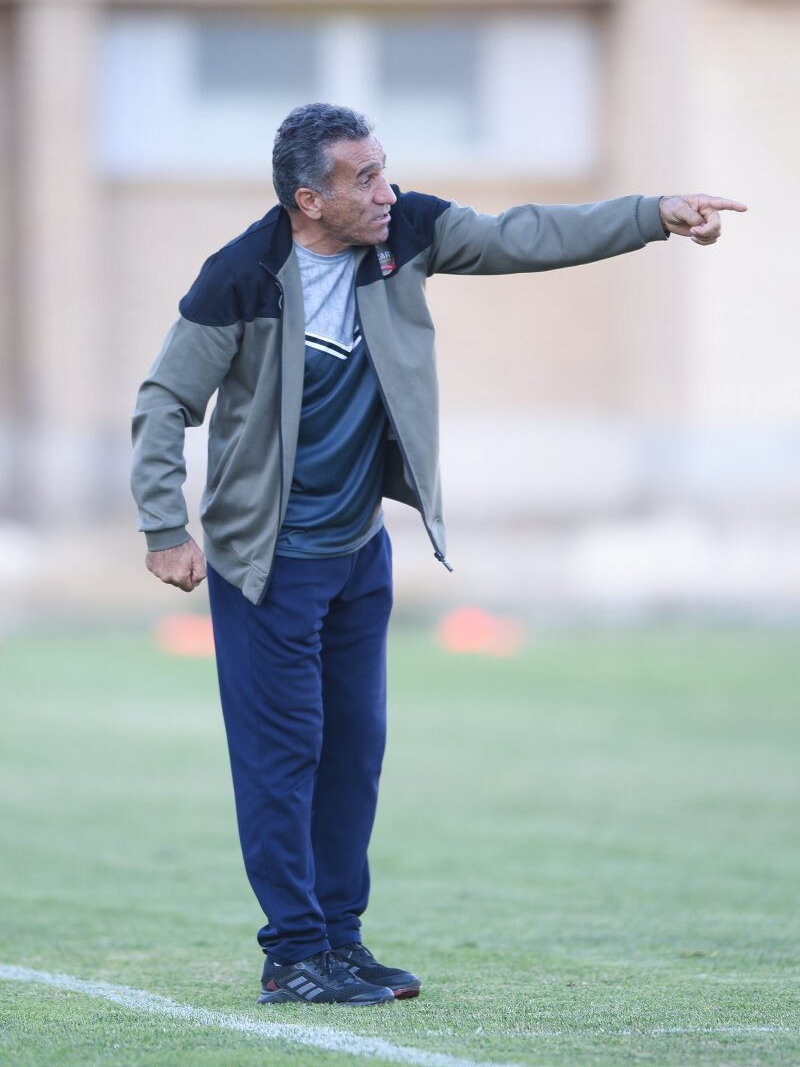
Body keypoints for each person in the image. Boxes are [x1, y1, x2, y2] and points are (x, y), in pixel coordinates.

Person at [131, 102, 746, 1007]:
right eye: (365, 178)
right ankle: (293, 953)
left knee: (353, 754)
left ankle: (341, 943)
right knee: (283, 759)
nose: (388, 191)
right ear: (309, 199)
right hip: (267, 563)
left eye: (385, 169)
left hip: (356, 553)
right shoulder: (241, 276)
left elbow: (523, 236)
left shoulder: (407, 233)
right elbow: (164, 401)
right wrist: (164, 528)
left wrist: (653, 214)